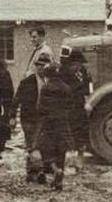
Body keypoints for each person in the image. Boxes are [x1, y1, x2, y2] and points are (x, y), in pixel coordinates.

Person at [33, 63, 74, 191]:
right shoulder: (67, 88)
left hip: (48, 122)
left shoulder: (46, 87)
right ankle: (59, 181)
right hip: (63, 121)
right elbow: (70, 106)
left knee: (45, 149)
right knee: (61, 149)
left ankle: (55, 170)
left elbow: (40, 107)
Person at [13, 53, 50, 183]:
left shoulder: (50, 82)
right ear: (36, 67)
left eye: (45, 66)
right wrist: (12, 117)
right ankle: (39, 170)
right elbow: (17, 99)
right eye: (39, 66)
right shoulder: (27, 82)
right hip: (29, 117)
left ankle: (31, 171)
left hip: (43, 117)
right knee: (32, 143)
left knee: (37, 143)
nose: (42, 69)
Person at [59, 46, 92, 165]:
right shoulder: (64, 72)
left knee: (81, 129)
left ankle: (80, 154)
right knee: (69, 130)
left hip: (79, 104)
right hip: (68, 105)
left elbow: (87, 87)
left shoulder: (82, 72)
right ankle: (69, 157)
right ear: (72, 63)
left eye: (80, 64)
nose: (79, 66)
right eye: (77, 63)